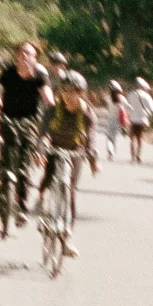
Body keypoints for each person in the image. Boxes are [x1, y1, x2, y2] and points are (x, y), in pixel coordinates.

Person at [0, 39, 54, 227]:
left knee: (24, 166)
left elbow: (49, 100)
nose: (25, 57)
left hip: (30, 123)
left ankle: (21, 206)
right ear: (17, 56)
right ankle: (1, 187)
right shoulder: (8, 73)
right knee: (6, 155)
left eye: (29, 54)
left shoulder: (39, 77)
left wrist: (53, 113)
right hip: (8, 120)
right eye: (21, 53)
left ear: (35, 58)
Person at [38, 71, 98, 253]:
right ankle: (43, 205)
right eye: (66, 90)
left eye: (74, 91)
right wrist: (40, 150)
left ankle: (67, 238)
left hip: (75, 151)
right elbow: (44, 133)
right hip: (54, 148)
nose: (69, 95)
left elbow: (91, 139)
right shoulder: (52, 110)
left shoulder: (88, 115)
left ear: (82, 93)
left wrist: (93, 160)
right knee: (48, 178)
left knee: (70, 191)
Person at [127, 76, 153, 162]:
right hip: (142, 120)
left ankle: (132, 156)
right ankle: (138, 156)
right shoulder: (147, 96)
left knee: (132, 138)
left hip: (132, 119)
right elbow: (152, 110)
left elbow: (127, 107)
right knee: (139, 138)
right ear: (143, 87)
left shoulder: (130, 94)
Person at [103, 80, 128, 160]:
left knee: (109, 138)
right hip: (117, 121)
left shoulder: (108, 97)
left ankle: (110, 151)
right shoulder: (122, 98)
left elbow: (105, 100)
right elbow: (128, 107)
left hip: (110, 120)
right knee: (114, 138)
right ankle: (112, 153)